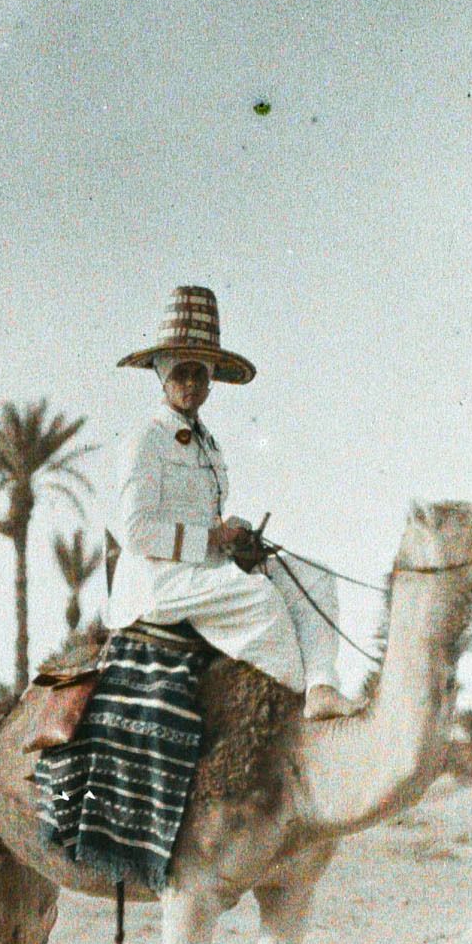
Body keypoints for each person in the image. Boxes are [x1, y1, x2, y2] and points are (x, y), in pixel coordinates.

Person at [107, 286, 360, 720]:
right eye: (181, 374)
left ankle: (320, 687)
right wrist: (212, 539)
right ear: (162, 376)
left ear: (211, 379)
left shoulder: (208, 443)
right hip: (159, 577)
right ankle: (280, 718)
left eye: (199, 375)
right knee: (263, 602)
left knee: (315, 578)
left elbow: (206, 517)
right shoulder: (145, 438)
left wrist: (234, 538)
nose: (191, 384)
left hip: (205, 565)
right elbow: (136, 532)